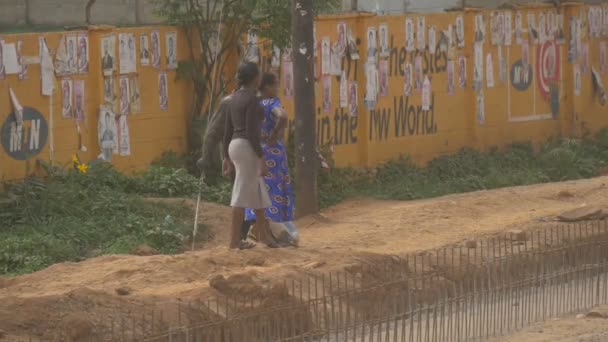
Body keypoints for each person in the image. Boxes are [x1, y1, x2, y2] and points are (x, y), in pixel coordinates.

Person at [222, 62, 277, 250]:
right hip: (247, 147)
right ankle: (234, 241)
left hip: (235, 146)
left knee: (258, 190)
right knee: (241, 193)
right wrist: (261, 158)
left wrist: (225, 157)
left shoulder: (233, 98)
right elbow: (252, 133)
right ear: (255, 78)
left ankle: (265, 237)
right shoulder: (252, 100)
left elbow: (227, 130)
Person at [241, 73, 297, 245]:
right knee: (274, 192)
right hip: (273, 153)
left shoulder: (252, 103)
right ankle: (267, 231)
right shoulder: (272, 103)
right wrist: (274, 134)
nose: (277, 89)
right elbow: (283, 116)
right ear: (266, 87)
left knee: (258, 190)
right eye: (275, 85)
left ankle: (257, 229)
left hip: (256, 150)